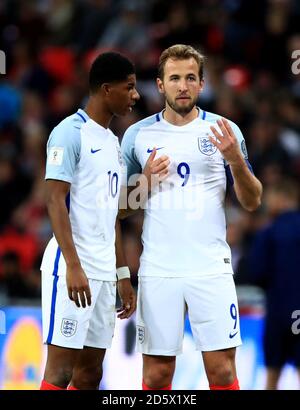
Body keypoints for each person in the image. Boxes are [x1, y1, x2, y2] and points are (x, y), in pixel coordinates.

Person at [120, 44, 262, 390]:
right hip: (158, 269)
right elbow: (119, 208)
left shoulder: (225, 131)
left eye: (190, 78)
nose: (182, 85)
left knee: (223, 372)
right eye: (174, 78)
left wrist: (235, 161)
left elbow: (252, 200)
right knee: (156, 375)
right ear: (160, 84)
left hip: (210, 268)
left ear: (201, 84)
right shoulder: (137, 135)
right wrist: (146, 182)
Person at [40, 52, 139, 390]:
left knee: (90, 373)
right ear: (106, 89)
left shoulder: (113, 143)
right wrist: (73, 265)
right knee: (60, 371)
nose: (135, 95)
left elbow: (112, 215)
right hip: (71, 267)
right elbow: (54, 200)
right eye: (129, 87)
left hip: (103, 271)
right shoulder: (69, 133)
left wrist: (122, 274)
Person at [248, 180, 300, 389]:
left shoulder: (268, 233)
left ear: (281, 198)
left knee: (272, 375)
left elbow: (256, 273)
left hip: (277, 313)